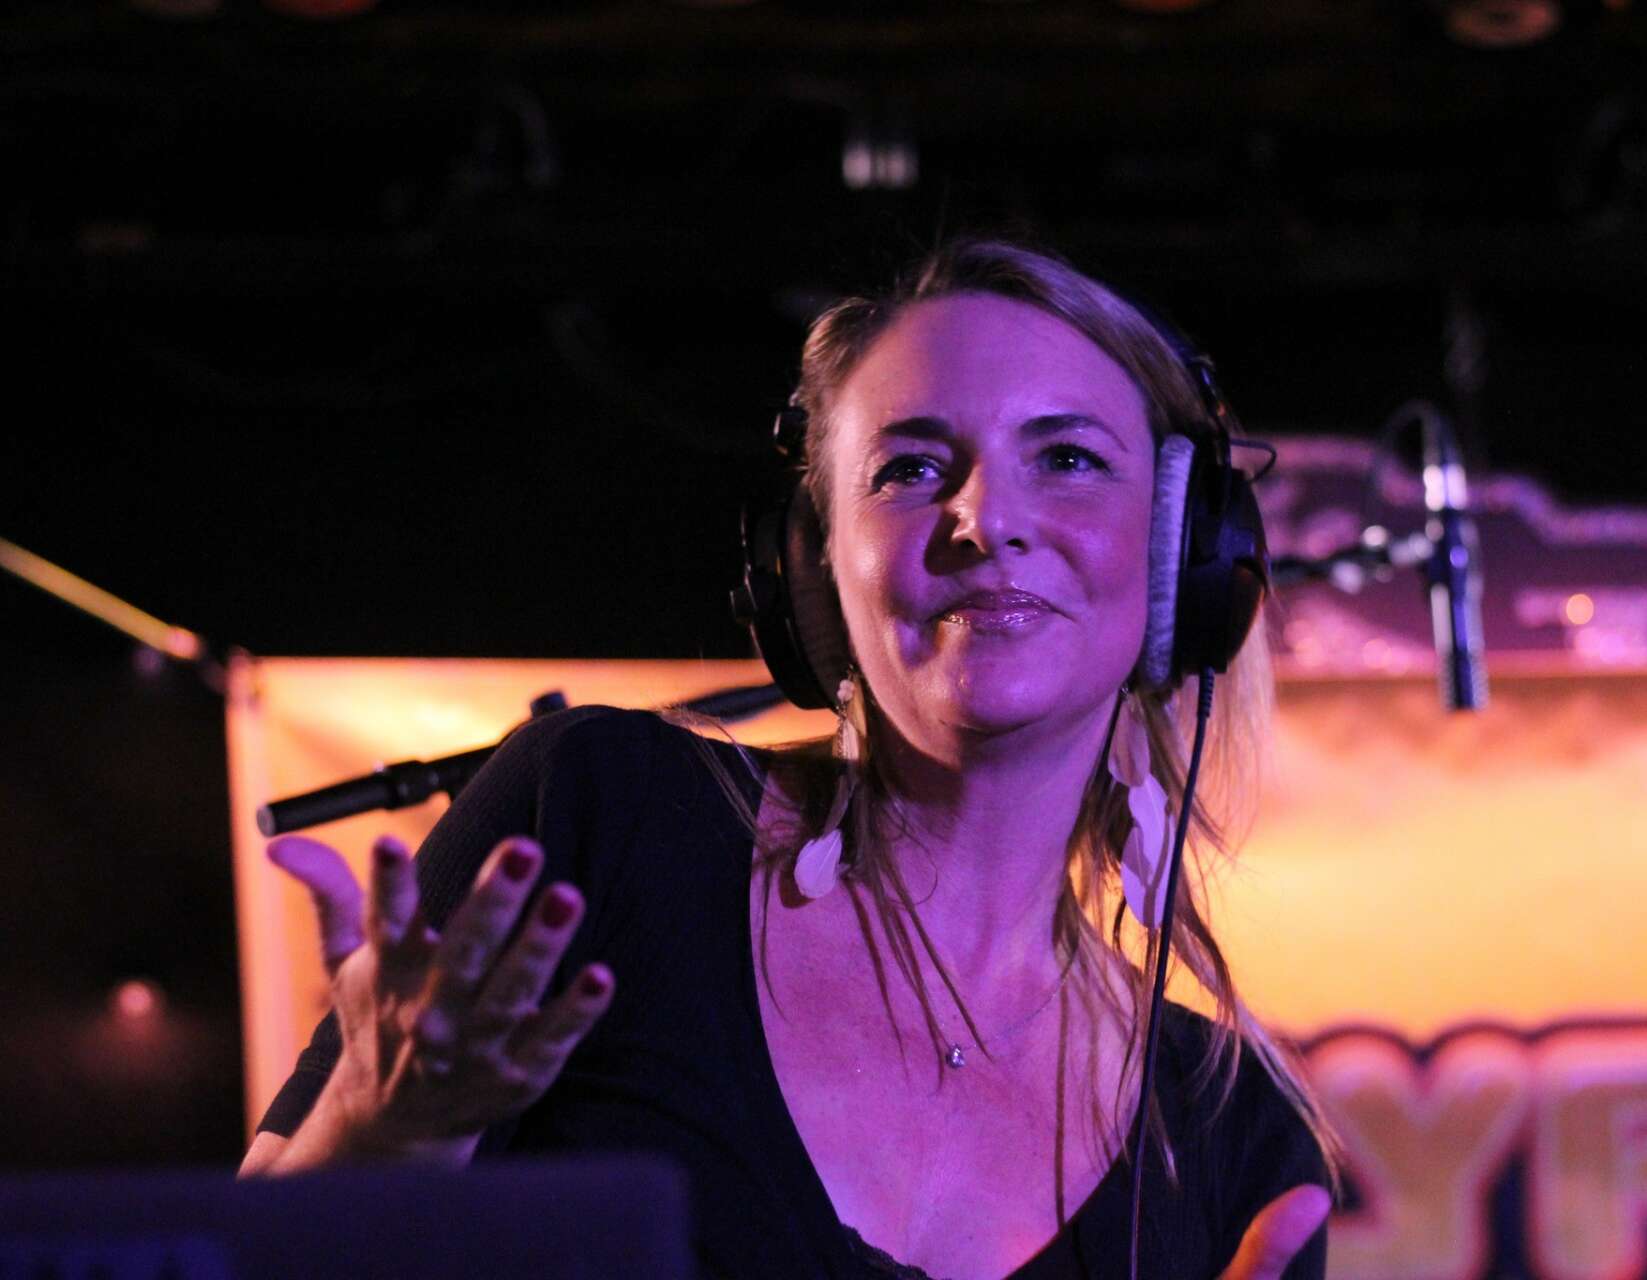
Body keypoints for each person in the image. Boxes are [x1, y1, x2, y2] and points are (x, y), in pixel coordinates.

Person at [238, 236, 1339, 1280]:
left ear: (1185, 550)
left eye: (1068, 458)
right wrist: (377, 1139)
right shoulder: (603, 818)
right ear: (814, 573)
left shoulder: (1236, 1145)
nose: (985, 519)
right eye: (909, 468)